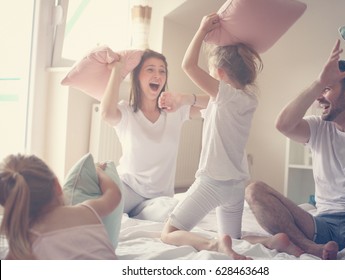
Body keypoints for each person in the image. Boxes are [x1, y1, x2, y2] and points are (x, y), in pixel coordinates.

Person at [160, 13, 303, 260]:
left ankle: (213, 245)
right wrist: (184, 99)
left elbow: (188, 66)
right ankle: (272, 241)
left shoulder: (224, 95)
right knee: (234, 238)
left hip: (212, 182)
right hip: (236, 184)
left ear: (220, 72)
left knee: (170, 232)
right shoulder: (248, 99)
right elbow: (207, 102)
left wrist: (202, 30)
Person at [245, 39, 345, 260]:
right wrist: (320, 81)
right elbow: (283, 125)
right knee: (254, 191)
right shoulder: (318, 127)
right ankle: (309, 247)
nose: (319, 97)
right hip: (320, 225)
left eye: (328, 89)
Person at [100, 49, 208, 218]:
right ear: (138, 77)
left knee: (173, 213)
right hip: (128, 187)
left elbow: (216, 102)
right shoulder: (126, 112)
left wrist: (185, 98)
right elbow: (106, 113)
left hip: (160, 197)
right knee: (99, 208)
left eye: (162, 71)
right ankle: (130, 211)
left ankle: (136, 213)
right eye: (150, 69)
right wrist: (116, 70)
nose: (157, 75)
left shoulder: (175, 111)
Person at [0, 154, 121, 260]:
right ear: (57, 185)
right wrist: (98, 171)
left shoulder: (26, 242)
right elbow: (114, 194)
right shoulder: (88, 210)